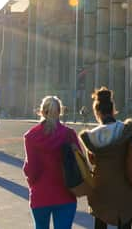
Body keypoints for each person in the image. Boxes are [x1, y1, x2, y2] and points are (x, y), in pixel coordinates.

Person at [79, 87, 132, 229]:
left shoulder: (92, 136)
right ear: (113, 110)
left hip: (102, 187)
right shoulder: (125, 130)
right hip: (125, 184)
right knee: (125, 219)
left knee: (100, 220)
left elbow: (92, 162)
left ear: (97, 112)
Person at [23, 96, 82, 229]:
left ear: (42, 112)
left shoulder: (31, 136)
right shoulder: (69, 134)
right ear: (60, 112)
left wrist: (32, 183)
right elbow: (79, 163)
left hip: (41, 194)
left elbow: (31, 169)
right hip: (65, 194)